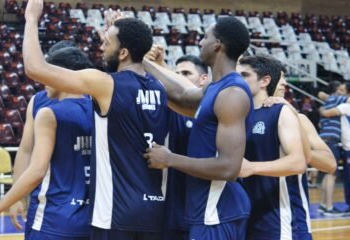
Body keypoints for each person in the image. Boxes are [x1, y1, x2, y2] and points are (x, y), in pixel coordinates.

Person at [23, 1, 169, 239]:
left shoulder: (106, 85)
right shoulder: (161, 87)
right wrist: (117, 34)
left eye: (106, 42)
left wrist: (31, 19)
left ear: (123, 53)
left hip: (115, 211)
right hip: (154, 209)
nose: (101, 47)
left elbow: (34, 68)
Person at [144, 17, 253, 239]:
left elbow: (229, 168)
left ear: (218, 44)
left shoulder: (232, 93)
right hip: (207, 210)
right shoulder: (215, 88)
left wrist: (170, 159)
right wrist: (141, 58)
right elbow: (180, 96)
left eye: (205, 37)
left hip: (217, 211)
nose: (200, 42)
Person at [0, 47, 94, 239]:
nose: (42, 80)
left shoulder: (50, 113)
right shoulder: (101, 110)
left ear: (59, 75)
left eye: (47, 73)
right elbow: (25, 150)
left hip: (53, 215)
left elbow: (37, 170)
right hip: (93, 218)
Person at [9, 40, 77, 231]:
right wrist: (16, 197)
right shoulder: (38, 101)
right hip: (45, 198)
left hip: (85, 198)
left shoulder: (92, 97)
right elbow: (25, 150)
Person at [236, 55, 306, 239]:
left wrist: (252, 168)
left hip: (274, 216)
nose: (237, 80)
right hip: (242, 212)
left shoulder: (280, 112)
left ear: (265, 81)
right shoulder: (237, 114)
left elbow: (298, 162)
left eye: (244, 75)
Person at [263, 66, 337, 239]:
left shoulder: (298, 119)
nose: (285, 83)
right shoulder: (243, 116)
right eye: (280, 77)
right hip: (250, 215)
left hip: (291, 217)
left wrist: (292, 114)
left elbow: (330, 164)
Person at [164, 55, 209, 240]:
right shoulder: (171, 106)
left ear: (203, 79)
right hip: (173, 208)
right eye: (176, 74)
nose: (180, 77)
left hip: (205, 208)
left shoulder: (214, 109)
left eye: (186, 73)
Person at [318, 81, 349, 216]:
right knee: (332, 173)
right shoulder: (338, 100)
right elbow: (326, 113)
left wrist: (322, 108)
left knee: (328, 172)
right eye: (339, 89)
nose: (340, 92)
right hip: (331, 139)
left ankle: (324, 205)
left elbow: (321, 97)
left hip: (325, 139)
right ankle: (329, 207)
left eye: (342, 90)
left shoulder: (331, 100)